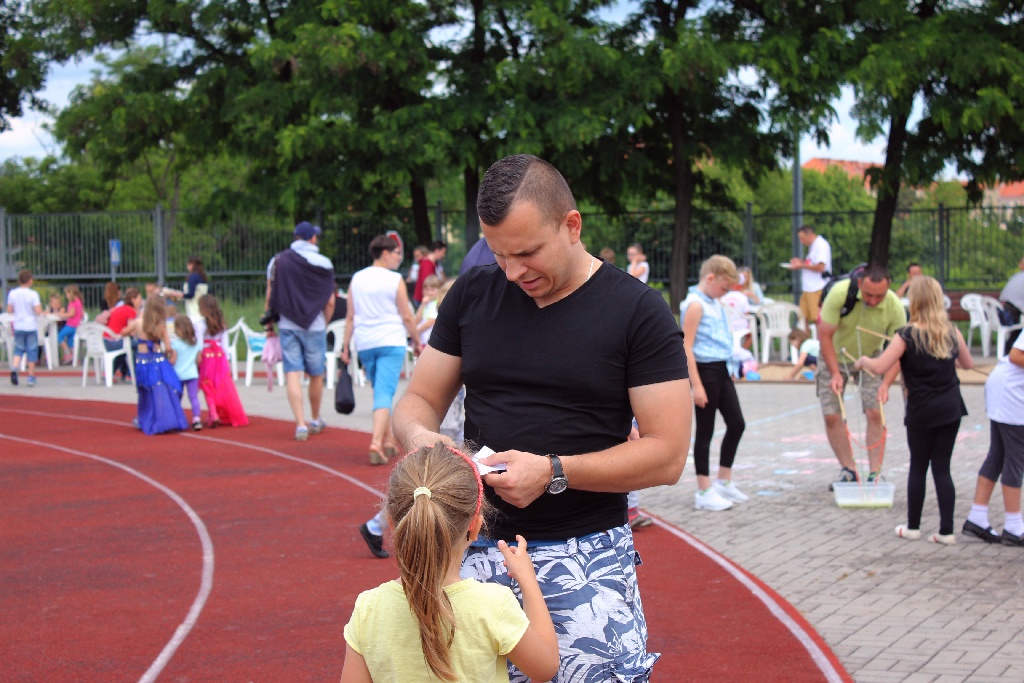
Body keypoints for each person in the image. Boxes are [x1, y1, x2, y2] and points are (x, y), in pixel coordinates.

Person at [392, 154, 691, 681]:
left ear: (571, 226)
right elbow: (418, 400)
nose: (512, 272)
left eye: (528, 253)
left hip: (586, 554)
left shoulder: (638, 311)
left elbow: (667, 455)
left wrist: (554, 472)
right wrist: (424, 441)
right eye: (499, 255)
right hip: (470, 552)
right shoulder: (472, 294)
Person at [342, 444, 559, 683]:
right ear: (475, 528)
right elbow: (545, 666)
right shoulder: (492, 605)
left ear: (393, 525)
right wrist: (528, 582)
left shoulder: (369, 608)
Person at [855, 276, 972, 544]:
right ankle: (946, 531)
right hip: (951, 407)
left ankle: (913, 526)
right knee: (943, 468)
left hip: (922, 409)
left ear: (916, 301)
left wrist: (863, 361)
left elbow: (880, 366)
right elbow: (967, 363)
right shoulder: (952, 332)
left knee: (919, 466)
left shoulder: (906, 335)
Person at [817, 264, 906, 489]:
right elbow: (824, 335)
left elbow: (902, 347)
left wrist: (886, 383)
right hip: (835, 356)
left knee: (875, 411)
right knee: (832, 415)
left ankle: (875, 473)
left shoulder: (894, 305)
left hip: (873, 359)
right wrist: (835, 373)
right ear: (859, 285)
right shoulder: (839, 294)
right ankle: (849, 470)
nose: (874, 301)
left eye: (879, 296)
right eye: (868, 295)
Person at [340, 235, 421, 465]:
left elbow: (350, 316)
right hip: (390, 340)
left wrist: (345, 345)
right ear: (385, 253)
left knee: (379, 391)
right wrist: (416, 341)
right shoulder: (395, 280)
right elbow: (406, 315)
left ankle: (387, 440)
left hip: (365, 342)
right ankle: (376, 441)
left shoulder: (357, 278)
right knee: (385, 392)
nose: (399, 257)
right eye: (397, 253)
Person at [681, 255, 749, 511]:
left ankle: (723, 481)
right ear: (710, 278)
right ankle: (703, 489)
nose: (725, 293)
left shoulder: (715, 302)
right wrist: (696, 385)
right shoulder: (695, 304)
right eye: (723, 287)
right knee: (705, 431)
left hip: (722, 369)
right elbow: (686, 346)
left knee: (737, 423)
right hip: (705, 372)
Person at [266, 221, 336, 441]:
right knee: (316, 374)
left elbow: (271, 293)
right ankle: (315, 418)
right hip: (315, 325)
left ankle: (300, 424)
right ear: (312, 238)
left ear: (296, 237)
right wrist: (323, 322)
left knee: (293, 373)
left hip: (287, 325)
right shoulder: (324, 263)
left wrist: (269, 324)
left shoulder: (278, 261)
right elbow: (330, 300)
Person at [962, 332, 1024, 546]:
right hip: (1011, 393)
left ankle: (977, 518)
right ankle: (1014, 528)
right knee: (1015, 459)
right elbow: (1017, 355)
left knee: (998, 455)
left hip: (1006, 390)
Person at [127, 295, 189, 435]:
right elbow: (168, 347)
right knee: (165, 388)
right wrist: (168, 353)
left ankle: (146, 418)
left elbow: (124, 332)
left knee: (146, 391)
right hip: (159, 361)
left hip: (143, 361)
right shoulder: (162, 325)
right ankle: (168, 418)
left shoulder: (139, 322)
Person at [196, 294, 248, 428]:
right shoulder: (222, 325)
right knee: (220, 385)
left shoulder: (200, 325)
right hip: (219, 357)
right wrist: (226, 361)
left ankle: (213, 413)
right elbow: (225, 345)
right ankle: (221, 412)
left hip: (207, 357)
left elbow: (199, 346)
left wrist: (198, 359)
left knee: (207, 386)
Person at [789, 225, 832, 333]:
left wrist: (801, 266)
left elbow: (821, 267)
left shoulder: (820, 245)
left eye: (802, 238)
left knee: (817, 319)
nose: (801, 241)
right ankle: (806, 343)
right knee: (802, 318)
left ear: (810, 235)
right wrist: (801, 262)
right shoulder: (813, 246)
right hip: (808, 288)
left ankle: (821, 344)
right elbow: (812, 263)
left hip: (816, 287)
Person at [6, 269, 43, 387]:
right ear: (30, 280)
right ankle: (31, 376)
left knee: (19, 349)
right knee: (32, 351)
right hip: (30, 325)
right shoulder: (33, 294)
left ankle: (14, 368)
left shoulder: (12, 293)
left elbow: (10, 310)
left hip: (18, 325)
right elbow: (38, 311)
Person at [171, 314, 204, 431]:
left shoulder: (175, 344)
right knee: (193, 397)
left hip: (178, 375)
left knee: (177, 397)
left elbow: (173, 360)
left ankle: (177, 417)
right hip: (192, 374)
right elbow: (199, 360)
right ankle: (196, 418)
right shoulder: (196, 343)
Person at [105, 288, 143, 383]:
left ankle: (111, 372)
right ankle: (131, 375)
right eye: (139, 299)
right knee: (138, 345)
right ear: (133, 300)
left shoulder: (119, 308)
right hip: (115, 341)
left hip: (106, 341)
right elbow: (131, 330)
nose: (141, 301)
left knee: (126, 349)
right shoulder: (130, 311)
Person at [998, 254, 1024, 352]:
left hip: (1001, 310)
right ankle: (1011, 349)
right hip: (1011, 313)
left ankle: (1010, 349)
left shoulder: (1015, 276)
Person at [413, 240, 447, 306]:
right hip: (423, 300)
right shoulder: (427, 264)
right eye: (443, 252)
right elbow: (427, 283)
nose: (443, 255)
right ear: (437, 251)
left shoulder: (430, 263)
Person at [58, 285, 85, 365]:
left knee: (59, 336)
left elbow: (71, 314)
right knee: (70, 341)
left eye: (67, 294)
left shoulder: (72, 302)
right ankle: (75, 357)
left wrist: (63, 315)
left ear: (71, 294)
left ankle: (68, 354)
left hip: (71, 324)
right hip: (77, 325)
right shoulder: (79, 301)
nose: (66, 296)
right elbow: (82, 314)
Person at [414, 275, 442, 347]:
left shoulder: (436, 304)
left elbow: (431, 321)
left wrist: (415, 332)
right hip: (423, 340)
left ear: (439, 290)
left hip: (429, 341)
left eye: (432, 290)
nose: (429, 293)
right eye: (426, 290)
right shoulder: (426, 303)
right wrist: (423, 304)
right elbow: (417, 320)